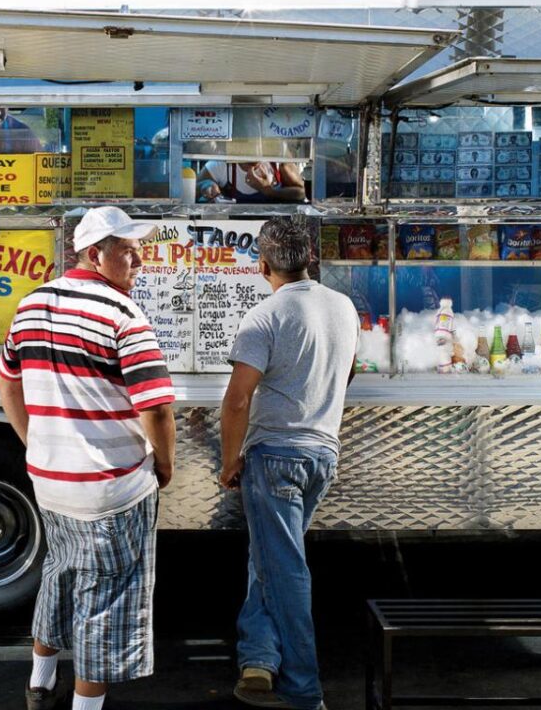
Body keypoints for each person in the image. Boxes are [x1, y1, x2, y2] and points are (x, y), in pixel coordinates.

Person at [0, 205, 177, 710]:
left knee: (60, 571)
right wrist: (164, 464)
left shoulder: (31, 304)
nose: (139, 260)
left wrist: (34, 441)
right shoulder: (124, 315)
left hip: (51, 482)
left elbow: (6, 381)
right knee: (107, 603)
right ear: (95, 255)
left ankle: (39, 681)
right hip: (110, 488)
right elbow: (158, 408)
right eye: (127, 251)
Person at [217, 216, 358, 710]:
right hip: (323, 453)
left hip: (275, 456)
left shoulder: (264, 317)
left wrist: (229, 460)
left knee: (286, 570)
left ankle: (304, 690)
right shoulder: (344, 308)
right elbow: (348, 373)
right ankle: (258, 658)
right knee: (271, 559)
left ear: (262, 265)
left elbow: (237, 400)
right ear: (311, 260)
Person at [199, 160, 305, 203]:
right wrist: (206, 185)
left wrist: (269, 191)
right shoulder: (220, 165)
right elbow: (192, 190)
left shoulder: (278, 162)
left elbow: (301, 194)